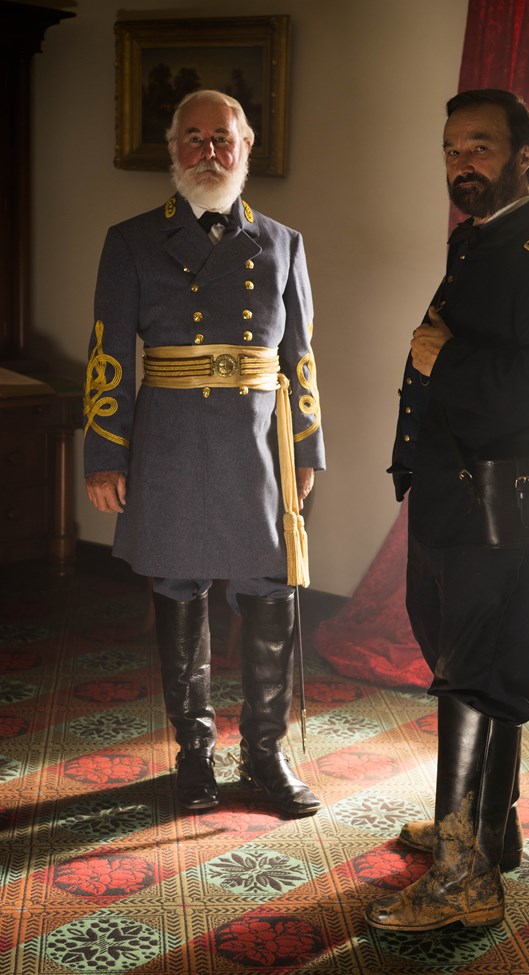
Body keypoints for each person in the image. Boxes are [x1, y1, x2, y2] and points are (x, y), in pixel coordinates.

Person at [365, 89, 529, 932]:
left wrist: (450, 358)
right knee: (464, 661)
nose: (462, 162)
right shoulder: (482, 244)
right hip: (457, 501)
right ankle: (482, 829)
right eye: (452, 149)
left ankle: (464, 876)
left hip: (500, 511)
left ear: (524, 156)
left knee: (475, 675)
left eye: (480, 146)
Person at [83, 89, 325, 818]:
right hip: (172, 438)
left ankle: (266, 751)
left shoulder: (283, 242)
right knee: (180, 587)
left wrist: (307, 447)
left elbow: (302, 357)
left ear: (245, 148)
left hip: (259, 442)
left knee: (268, 589)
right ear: (172, 150)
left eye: (222, 138)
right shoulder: (129, 240)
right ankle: (194, 753)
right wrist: (105, 451)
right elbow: (108, 357)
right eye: (193, 138)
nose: (209, 151)